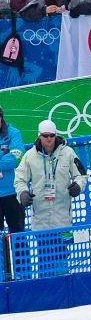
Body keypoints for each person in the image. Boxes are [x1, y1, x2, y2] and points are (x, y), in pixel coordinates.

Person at [14, 119, 87, 232]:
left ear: (56, 136)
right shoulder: (30, 156)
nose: (49, 139)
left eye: (52, 135)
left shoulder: (68, 152)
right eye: (45, 135)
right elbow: (20, 179)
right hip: (40, 222)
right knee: (43, 249)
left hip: (63, 220)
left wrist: (78, 185)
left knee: (64, 249)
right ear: (39, 136)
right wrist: (22, 193)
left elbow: (81, 175)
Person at [0, 105, 24, 271]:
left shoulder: (13, 133)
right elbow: (8, 158)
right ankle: (2, 275)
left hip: (12, 193)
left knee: (19, 236)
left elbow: (17, 157)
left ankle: (24, 273)